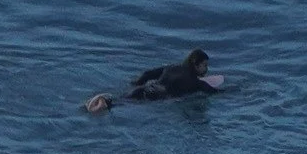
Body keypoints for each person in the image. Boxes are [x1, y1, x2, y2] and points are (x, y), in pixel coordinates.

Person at [85, 49, 219, 114]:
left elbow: (147, 74)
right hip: (156, 96)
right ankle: (102, 104)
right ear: (195, 65)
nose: (207, 69)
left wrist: (136, 84)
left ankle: (102, 100)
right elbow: (213, 91)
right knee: (125, 105)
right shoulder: (194, 82)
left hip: (144, 88)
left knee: (121, 100)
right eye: (205, 65)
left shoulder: (171, 67)